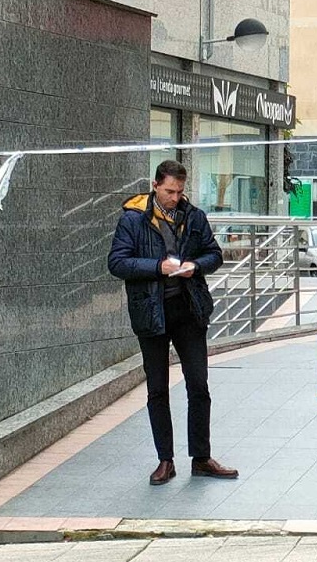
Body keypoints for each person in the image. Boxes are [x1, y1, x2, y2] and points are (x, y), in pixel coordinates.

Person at [107, 160, 238, 486]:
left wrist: (195, 266)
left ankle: (201, 457)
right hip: (151, 312)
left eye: (179, 191)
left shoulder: (194, 216)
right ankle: (165, 460)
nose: (175, 197)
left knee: (199, 385)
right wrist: (157, 267)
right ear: (155, 185)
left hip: (189, 310)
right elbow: (117, 262)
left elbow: (215, 254)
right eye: (169, 191)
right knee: (157, 389)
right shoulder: (133, 220)